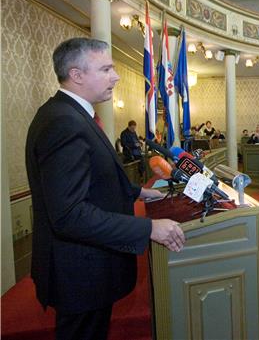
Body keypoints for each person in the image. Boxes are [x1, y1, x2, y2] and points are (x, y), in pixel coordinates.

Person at [25, 38, 185, 340]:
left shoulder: (70, 114)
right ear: (77, 75)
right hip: (80, 273)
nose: (116, 76)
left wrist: (137, 192)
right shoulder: (64, 122)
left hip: (87, 268)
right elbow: (70, 214)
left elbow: (91, 178)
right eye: (107, 68)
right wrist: (147, 228)